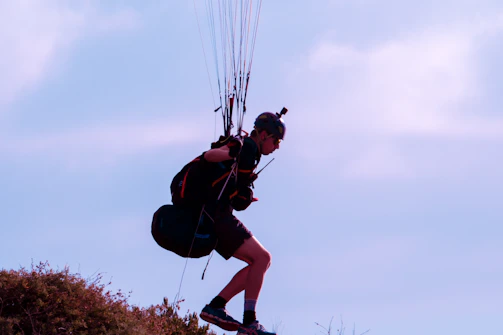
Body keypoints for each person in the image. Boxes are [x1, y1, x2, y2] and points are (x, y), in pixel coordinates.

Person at [171, 111, 286, 335]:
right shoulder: (243, 144)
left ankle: (217, 306)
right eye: (277, 140)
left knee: (260, 262)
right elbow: (210, 156)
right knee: (262, 258)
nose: (278, 147)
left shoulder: (249, 156)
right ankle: (247, 322)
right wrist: (232, 151)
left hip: (212, 214)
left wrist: (243, 195)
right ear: (263, 135)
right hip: (214, 214)